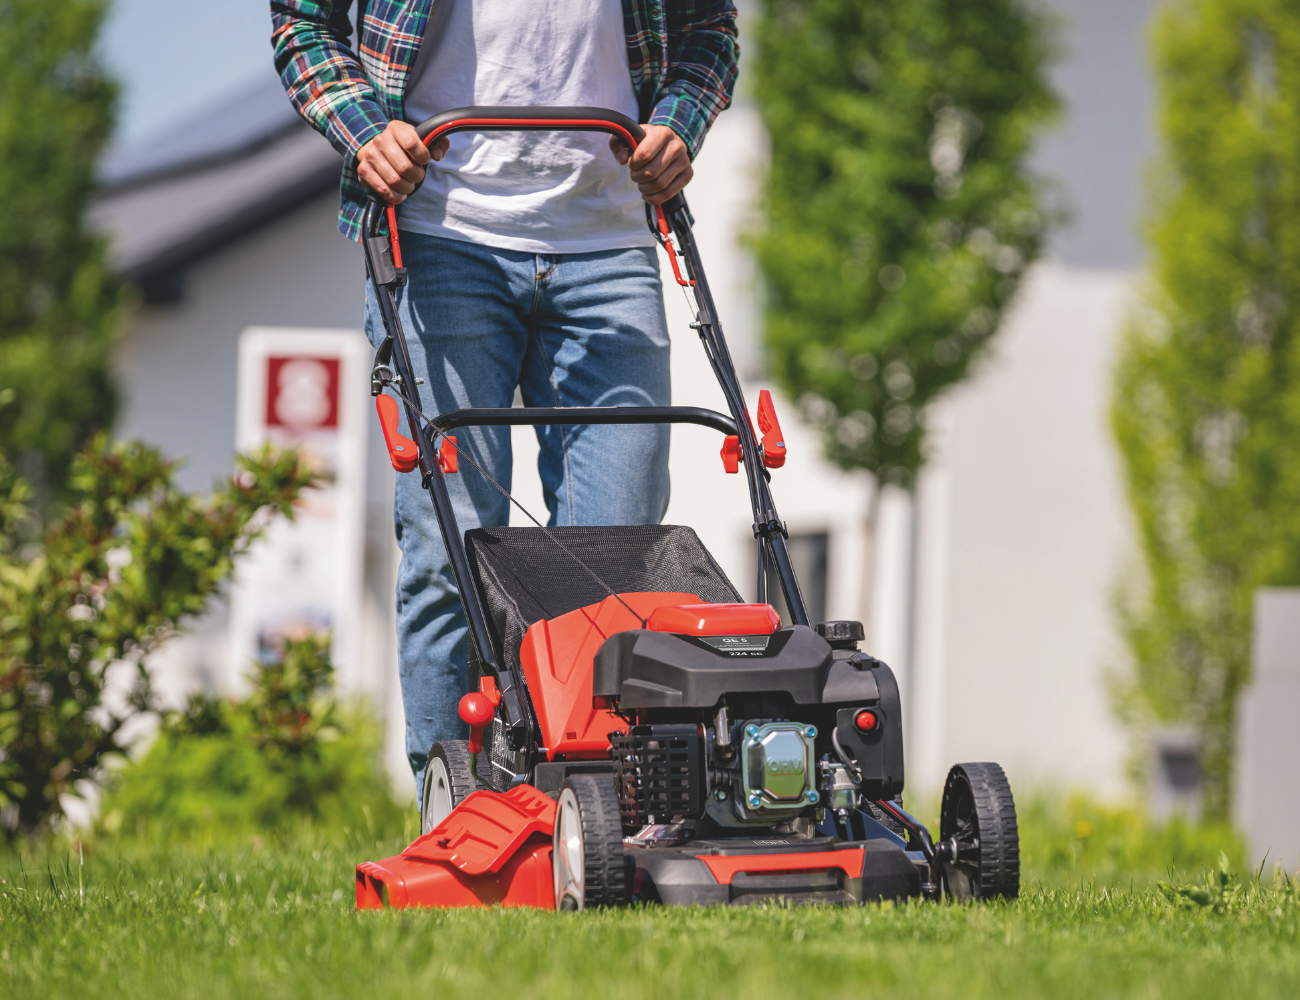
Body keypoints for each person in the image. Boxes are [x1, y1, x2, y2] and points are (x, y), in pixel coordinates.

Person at [271, 0, 739, 794]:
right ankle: (454, 813)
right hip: (440, 228)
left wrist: (677, 123)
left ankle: (598, 806)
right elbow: (303, 24)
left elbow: (709, 34)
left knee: (617, 562)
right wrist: (363, 129)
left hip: (609, 239)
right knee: (447, 550)